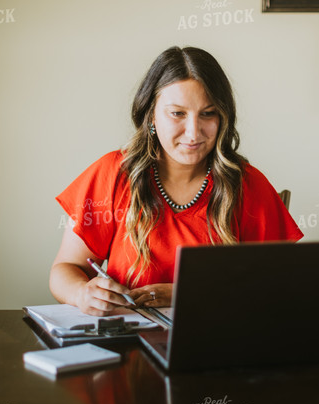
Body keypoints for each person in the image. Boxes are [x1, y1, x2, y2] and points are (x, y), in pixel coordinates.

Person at [49, 46, 303, 316]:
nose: (193, 133)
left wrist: (187, 292)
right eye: (178, 113)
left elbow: (279, 284)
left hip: (218, 344)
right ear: (151, 115)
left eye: (208, 113)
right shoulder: (113, 173)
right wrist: (81, 293)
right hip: (128, 340)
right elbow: (65, 269)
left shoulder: (247, 184)